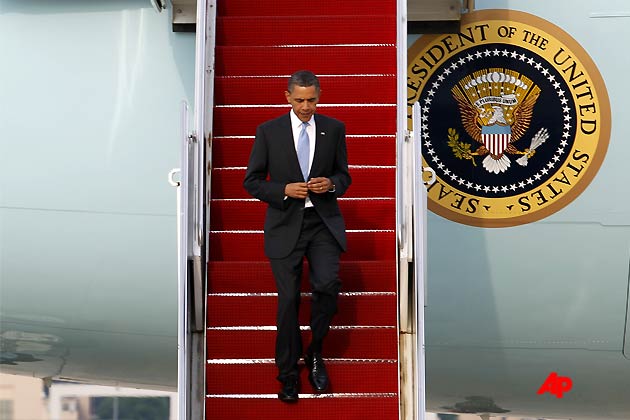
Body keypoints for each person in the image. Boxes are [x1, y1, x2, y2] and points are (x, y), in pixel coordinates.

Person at [243, 70, 351, 403]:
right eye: (300, 100)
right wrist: (283, 190)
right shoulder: (269, 132)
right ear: (287, 96)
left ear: (320, 96)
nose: (306, 107)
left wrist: (331, 184)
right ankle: (288, 376)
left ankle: (315, 351)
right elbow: (252, 181)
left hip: (322, 222)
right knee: (288, 302)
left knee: (326, 287)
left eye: (312, 99)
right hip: (285, 224)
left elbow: (344, 175)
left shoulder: (333, 129)